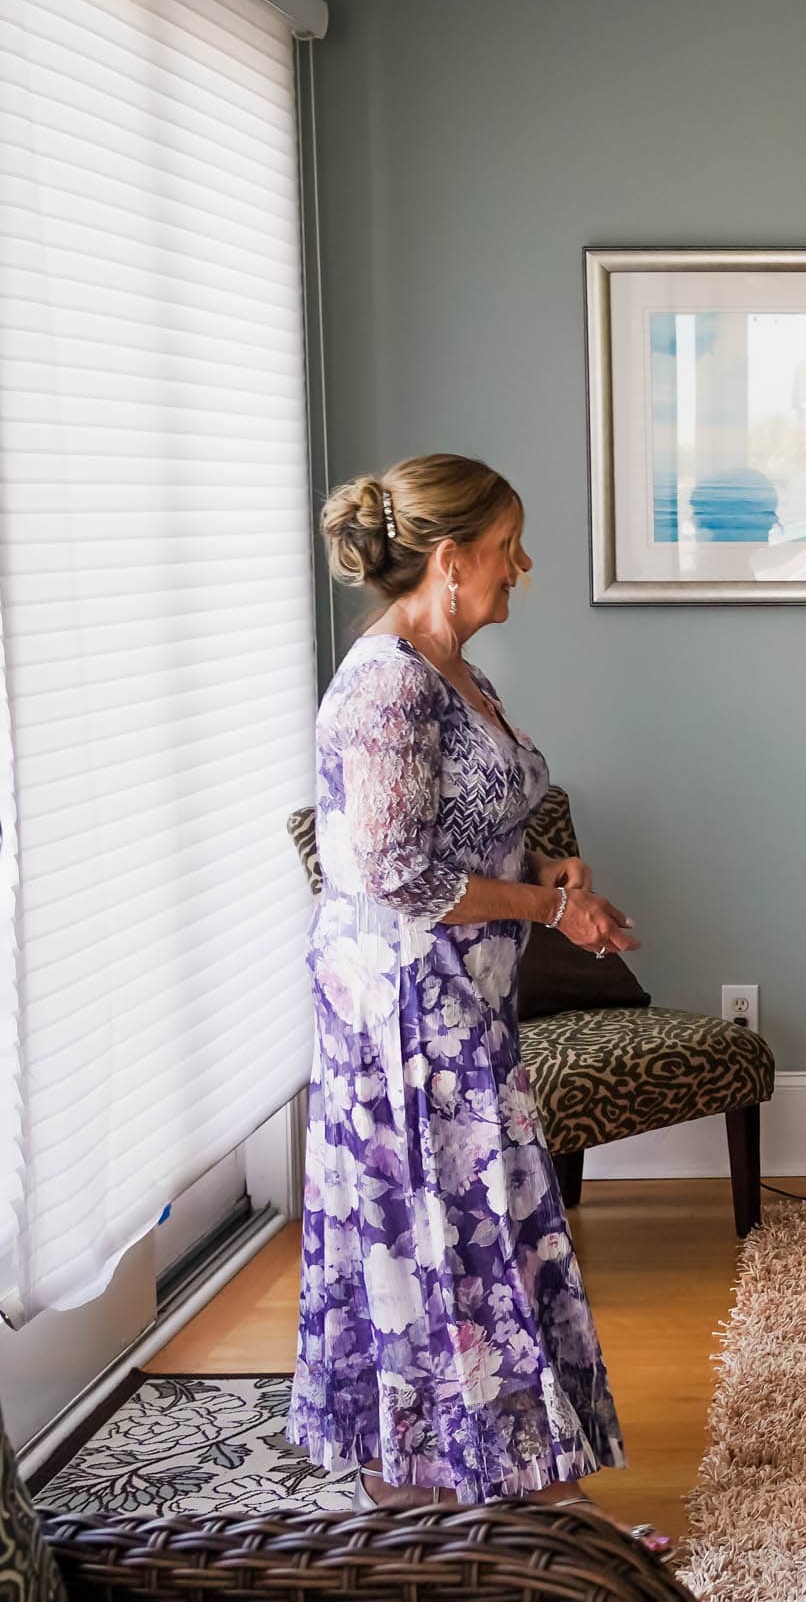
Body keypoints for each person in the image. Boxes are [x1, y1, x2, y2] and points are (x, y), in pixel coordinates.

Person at [291, 453, 652, 1540]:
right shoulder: (389, 682)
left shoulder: (454, 668)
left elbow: (468, 823)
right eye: (506, 549)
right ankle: (534, 1502)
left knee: (470, 1231)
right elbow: (397, 873)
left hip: (458, 996)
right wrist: (543, 914)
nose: (521, 568)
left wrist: (548, 877)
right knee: (467, 1236)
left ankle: (442, 1480)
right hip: (406, 1011)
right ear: (449, 560)